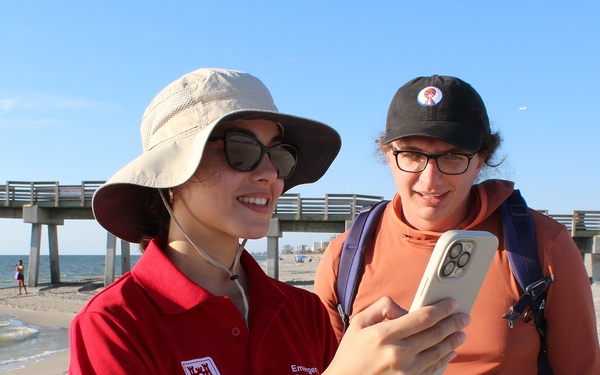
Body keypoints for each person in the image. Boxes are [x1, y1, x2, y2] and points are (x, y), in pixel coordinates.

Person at [69, 68, 470, 374]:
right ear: (170, 174)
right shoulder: (115, 325)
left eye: (279, 155)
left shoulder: (304, 313)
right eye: (240, 149)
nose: (270, 174)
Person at [314, 75, 600, 374]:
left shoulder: (544, 244)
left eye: (452, 157)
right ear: (388, 155)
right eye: (412, 155)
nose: (430, 179)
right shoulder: (342, 259)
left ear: (481, 160)